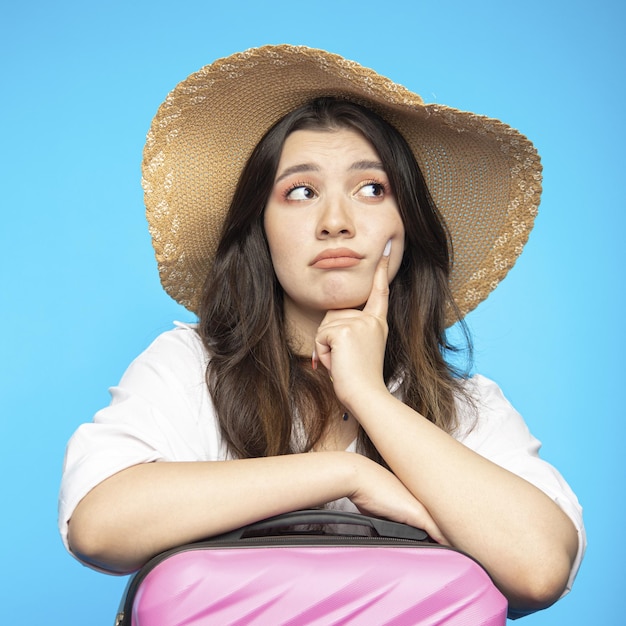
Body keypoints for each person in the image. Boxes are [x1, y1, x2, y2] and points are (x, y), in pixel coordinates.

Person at [59, 45, 585, 615]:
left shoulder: (468, 408)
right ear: (260, 229)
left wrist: (368, 395)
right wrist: (349, 475)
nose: (336, 222)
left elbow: (540, 569)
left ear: (407, 227)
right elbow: (99, 524)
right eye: (301, 193)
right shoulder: (190, 367)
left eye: (372, 189)